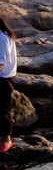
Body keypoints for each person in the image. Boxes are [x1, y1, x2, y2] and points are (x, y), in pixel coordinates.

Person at [0, 17, 17, 153]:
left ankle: (7, 139)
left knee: (3, 109)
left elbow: (1, 62)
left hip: (4, 78)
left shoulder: (2, 37)